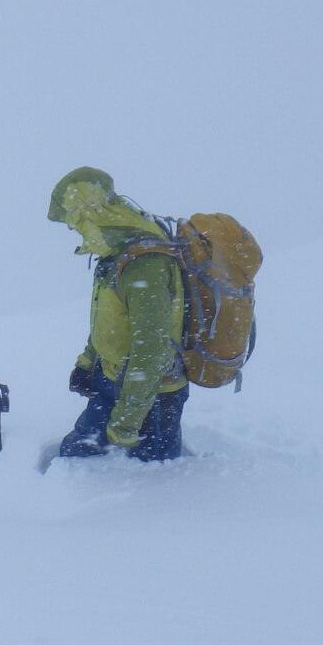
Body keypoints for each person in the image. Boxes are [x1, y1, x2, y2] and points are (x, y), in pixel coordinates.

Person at [47, 167, 190, 462]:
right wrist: (88, 363)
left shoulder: (145, 263)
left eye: (73, 222)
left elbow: (151, 347)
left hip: (153, 396)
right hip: (111, 380)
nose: (73, 230)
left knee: (151, 487)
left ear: (88, 213)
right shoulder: (116, 255)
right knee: (75, 455)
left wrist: (128, 417)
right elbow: (108, 318)